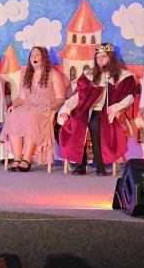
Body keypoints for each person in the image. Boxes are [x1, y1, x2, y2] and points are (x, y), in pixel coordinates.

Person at [58, 43, 137, 175]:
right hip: (86, 110)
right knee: (78, 122)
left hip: (106, 113)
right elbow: (77, 97)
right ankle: (80, 163)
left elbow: (129, 98)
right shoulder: (89, 76)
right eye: (98, 57)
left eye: (103, 56)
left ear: (111, 57)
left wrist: (116, 107)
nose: (100, 60)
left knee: (95, 124)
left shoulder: (123, 77)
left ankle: (99, 164)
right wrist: (65, 111)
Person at [1, 45, 66, 172]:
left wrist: (52, 106)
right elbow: (22, 98)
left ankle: (26, 159)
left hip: (44, 108)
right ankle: (17, 159)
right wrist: (13, 105)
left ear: (44, 58)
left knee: (32, 117)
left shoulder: (53, 74)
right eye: (32, 55)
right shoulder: (26, 75)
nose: (34, 57)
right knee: (14, 116)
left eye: (37, 55)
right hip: (28, 106)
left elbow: (61, 98)